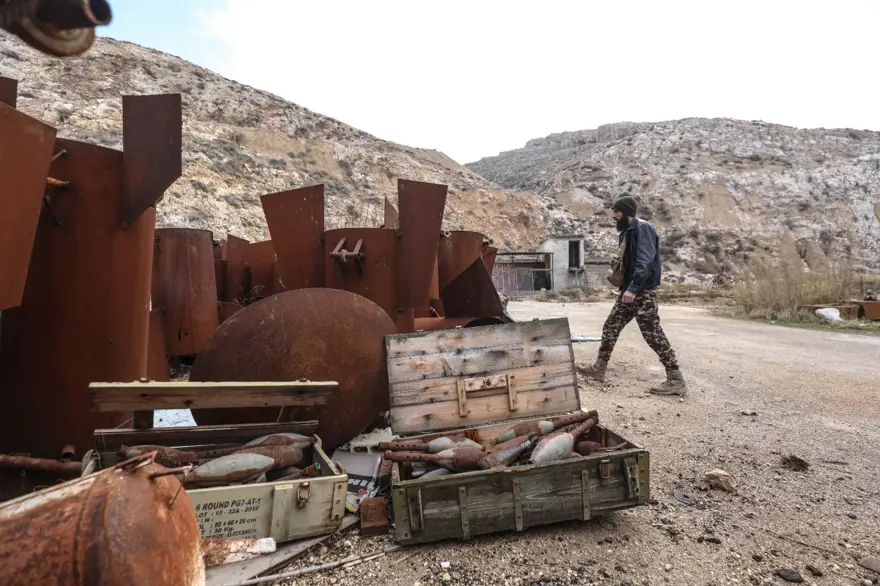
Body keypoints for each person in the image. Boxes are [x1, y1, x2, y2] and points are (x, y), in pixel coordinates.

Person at [578, 196, 687, 395]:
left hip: (642, 292)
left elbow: (644, 261)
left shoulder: (642, 229)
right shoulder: (627, 232)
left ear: (626, 212)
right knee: (611, 326)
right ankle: (598, 369)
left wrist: (633, 288)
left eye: (616, 212)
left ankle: (675, 378)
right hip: (629, 292)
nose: (613, 216)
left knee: (652, 334)